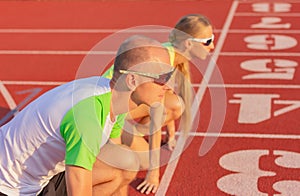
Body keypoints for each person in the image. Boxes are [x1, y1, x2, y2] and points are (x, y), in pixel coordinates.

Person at [0, 35, 175, 196]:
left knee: (124, 163)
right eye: (162, 78)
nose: (169, 86)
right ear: (132, 80)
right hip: (8, 187)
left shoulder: (116, 99)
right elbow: (79, 188)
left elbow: (116, 154)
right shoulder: (86, 116)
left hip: (37, 179)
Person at [102, 14, 215, 194]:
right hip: (106, 108)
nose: (212, 46)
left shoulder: (171, 53)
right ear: (188, 44)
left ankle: (126, 136)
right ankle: (112, 140)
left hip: (119, 104)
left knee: (174, 104)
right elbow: (157, 115)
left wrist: (170, 136)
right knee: (143, 161)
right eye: (208, 41)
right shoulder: (164, 61)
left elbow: (163, 98)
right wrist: (153, 173)